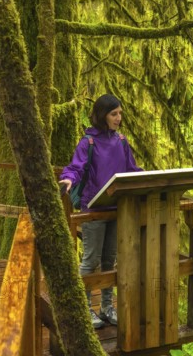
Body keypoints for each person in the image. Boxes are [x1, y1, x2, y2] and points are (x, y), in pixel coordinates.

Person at [59, 94, 143, 329]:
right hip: (94, 210)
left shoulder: (122, 141)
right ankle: (84, 308)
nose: (118, 118)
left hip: (116, 208)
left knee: (109, 260)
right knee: (90, 260)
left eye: (120, 114)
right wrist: (66, 180)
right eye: (114, 114)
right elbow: (75, 167)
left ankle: (107, 307)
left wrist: (148, 179)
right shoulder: (89, 142)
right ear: (102, 116)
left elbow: (131, 169)